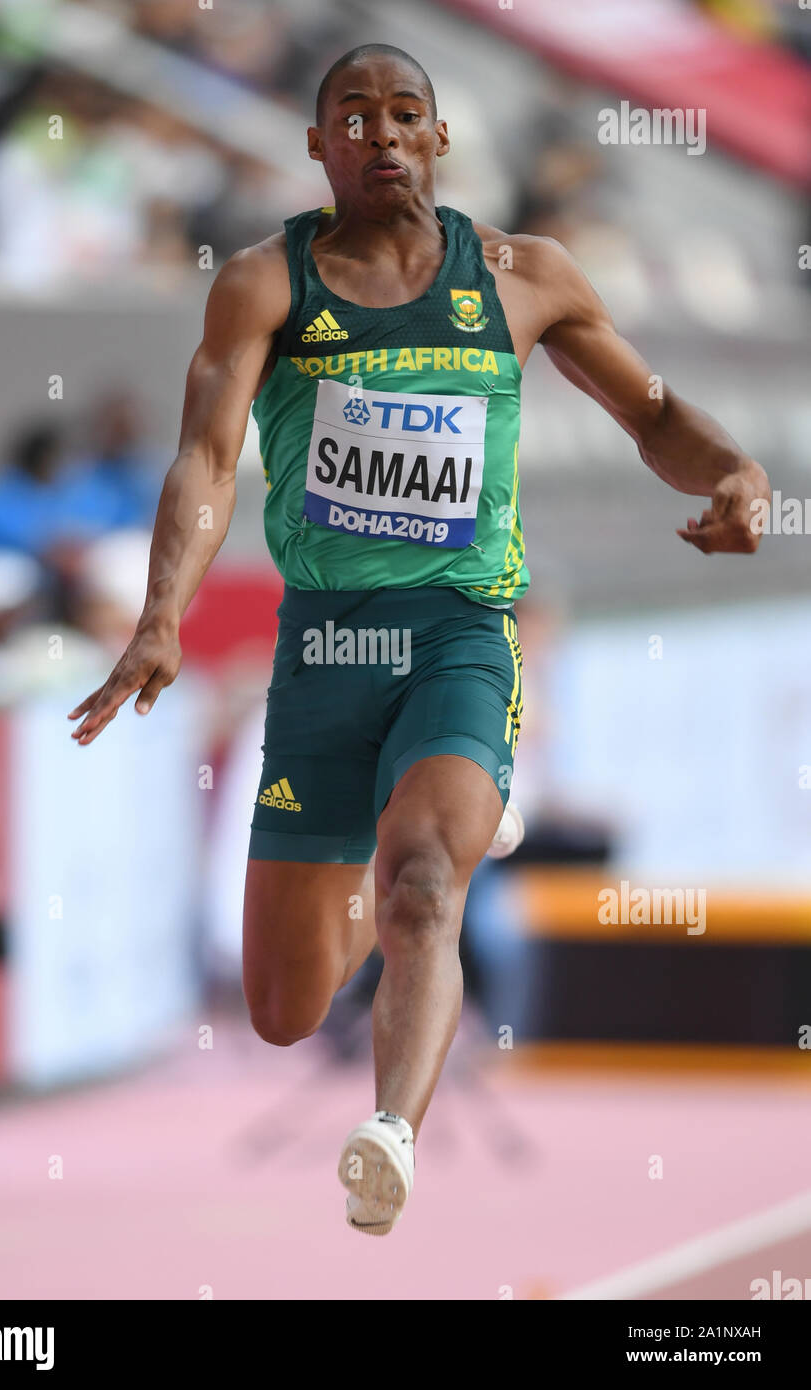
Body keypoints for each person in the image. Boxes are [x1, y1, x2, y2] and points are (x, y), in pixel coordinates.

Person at [68, 45, 771, 1235]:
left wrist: (736, 472)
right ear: (316, 146)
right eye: (354, 117)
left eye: (405, 116)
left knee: (423, 888)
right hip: (322, 650)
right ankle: (404, 848)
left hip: (459, 630)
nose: (382, 136)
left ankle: (386, 1131)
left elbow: (650, 414)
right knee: (285, 1006)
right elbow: (204, 461)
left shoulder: (519, 276)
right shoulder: (263, 283)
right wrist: (160, 616)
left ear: (440, 139)